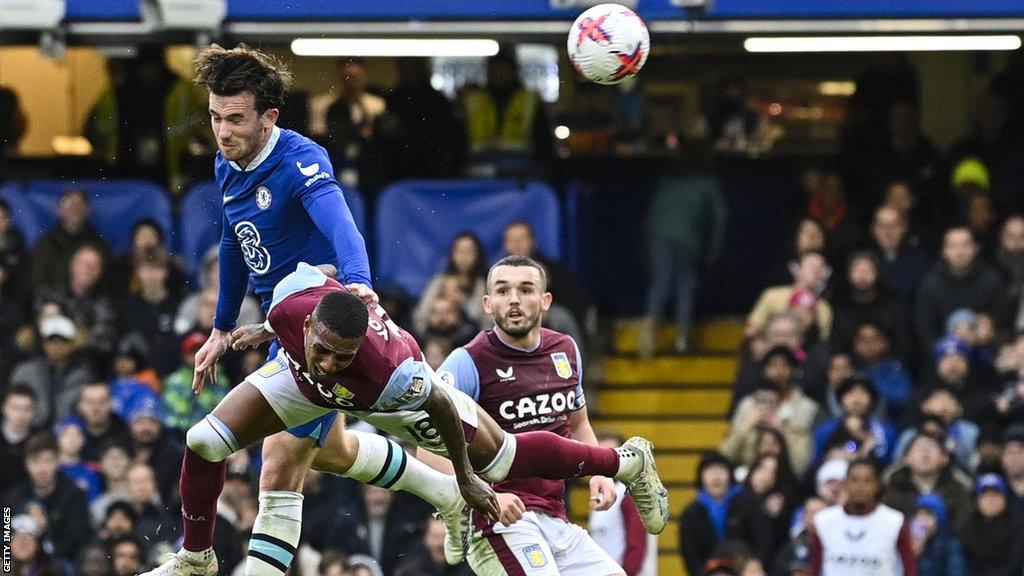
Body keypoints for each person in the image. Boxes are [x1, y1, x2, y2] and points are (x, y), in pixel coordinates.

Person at [144, 262, 668, 576]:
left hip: (386, 400)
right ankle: (197, 556)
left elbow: (439, 407)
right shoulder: (287, 305)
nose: (327, 362)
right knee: (206, 441)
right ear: (303, 325)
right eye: (321, 348)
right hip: (296, 379)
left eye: (338, 355)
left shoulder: (397, 372)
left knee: (502, 454)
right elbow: (324, 277)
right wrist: (258, 331)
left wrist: (464, 480)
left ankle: (624, 462)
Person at [432, 256, 635, 575]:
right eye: (503, 291)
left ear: (545, 301)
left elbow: (578, 422)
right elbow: (426, 446)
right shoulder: (467, 361)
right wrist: (479, 495)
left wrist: (599, 472)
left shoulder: (565, 350)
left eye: (526, 289)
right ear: (487, 303)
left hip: (555, 517)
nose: (514, 299)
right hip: (497, 522)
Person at [640, 162, 728, 357]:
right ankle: (681, 338)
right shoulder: (707, 184)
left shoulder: (668, 183)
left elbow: (653, 214)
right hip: (687, 240)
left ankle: (648, 335)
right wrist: (714, 248)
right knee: (685, 285)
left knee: (660, 283)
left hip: (659, 237)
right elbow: (720, 217)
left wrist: (647, 246)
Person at [809, 458, 917, 575]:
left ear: (877, 485)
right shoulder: (824, 521)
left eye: (867, 481)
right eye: (854, 480)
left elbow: (909, 569)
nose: (861, 487)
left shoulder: (894, 522)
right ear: (845, 484)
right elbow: (814, 568)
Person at [3, 433, 92, 564]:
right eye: (36, 461)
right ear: (27, 464)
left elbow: (76, 538)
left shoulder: (73, 495)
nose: (41, 468)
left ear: (57, 462)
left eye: (48, 461)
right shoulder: (12, 497)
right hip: (16, 561)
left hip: (59, 562)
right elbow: (4, 535)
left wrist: (46, 527)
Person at [679, 452, 772, 576]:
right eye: (711, 472)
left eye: (721, 471)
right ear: (701, 476)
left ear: (730, 475)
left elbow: (763, 540)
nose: (716, 477)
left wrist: (754, 567)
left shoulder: (748, 503)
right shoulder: (691, 514)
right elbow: (691, 556)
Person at [589, 431, 656, 576]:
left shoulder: (630, 494)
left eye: (611, 455)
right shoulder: (603, 493)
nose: (606, 461)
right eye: (600, 455)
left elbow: (637, 546)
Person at [30, 188, 110, 294]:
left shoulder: (99, 244)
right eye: (68, 203)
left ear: (87, 210)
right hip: (53, 302)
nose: (74, 208)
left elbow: (106, 282)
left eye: (79, 204)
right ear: (59, 209)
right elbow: (37, 281)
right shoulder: (46, 243)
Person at [959, 473, 1024, 576]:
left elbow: (1016, 563)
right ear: (977, 500)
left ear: (1005, 498)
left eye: (995, 494)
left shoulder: (1018, 526)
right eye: (985, 495)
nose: (990, 500)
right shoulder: (966, 527)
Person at [0, 385, 38, 493]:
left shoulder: (39, 441)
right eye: (15, 408)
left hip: (23, 500)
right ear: (4, 408)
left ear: (34, 411)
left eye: (27, 409)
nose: (20, 414)